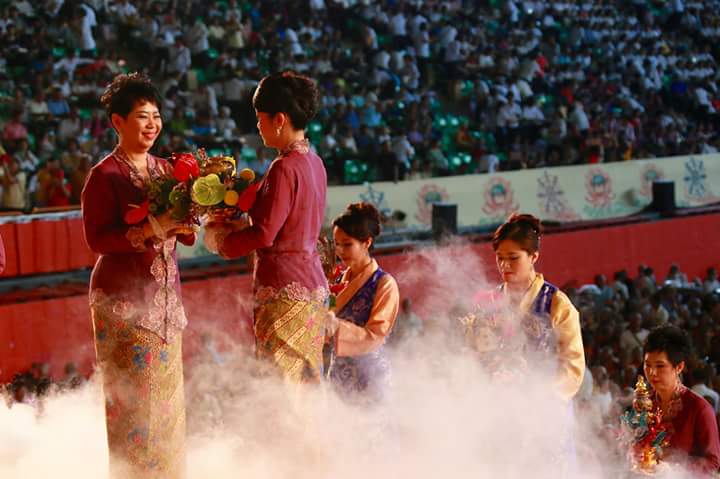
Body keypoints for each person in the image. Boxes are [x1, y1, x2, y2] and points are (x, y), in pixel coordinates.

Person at [81, 72, 195, 478]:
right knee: (134, 410)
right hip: (124, 307)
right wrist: (150, 228)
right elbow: (97, 240)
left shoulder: (168, 171)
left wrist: (185, 222)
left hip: (165, 306)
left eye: (156, 116)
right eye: (142, 116)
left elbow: (179, 236)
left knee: (167, 408)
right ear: (117, 122)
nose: (152, 125)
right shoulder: (104, 176)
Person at [204, 71, 328, 383]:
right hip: (313, 282)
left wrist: (221, 242)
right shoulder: (315, 163)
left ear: (279, 119)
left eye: (260, 119)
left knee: (282, 384)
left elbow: (265, 233)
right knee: (308, 380)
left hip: (283, 285)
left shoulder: (283, 168)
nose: (257, 127)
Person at [492, 213, 585, 399]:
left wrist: (538, 393)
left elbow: (572, 368)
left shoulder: (557, 304)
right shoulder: (491, 300)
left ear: (533, 257)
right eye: (499, 257)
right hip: (499, 404)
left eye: (513, 258)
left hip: (544, 407)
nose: (504, 265)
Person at [325, 202, 400, 402]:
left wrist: (336, 326)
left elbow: (375, 337)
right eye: (336, 243)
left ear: (366, 242)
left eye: (347, 244)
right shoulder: (337, 279)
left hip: (369, 381)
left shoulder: (384, 284)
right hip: (337, 377)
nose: (340, 250)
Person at [643, 326, 720, 474]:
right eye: (647, 365)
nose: (652, 373)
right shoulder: (644, 403)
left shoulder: (699, 408)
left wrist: (673, 467)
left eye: (660, 366)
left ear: (679, 367)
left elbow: (713, 461)